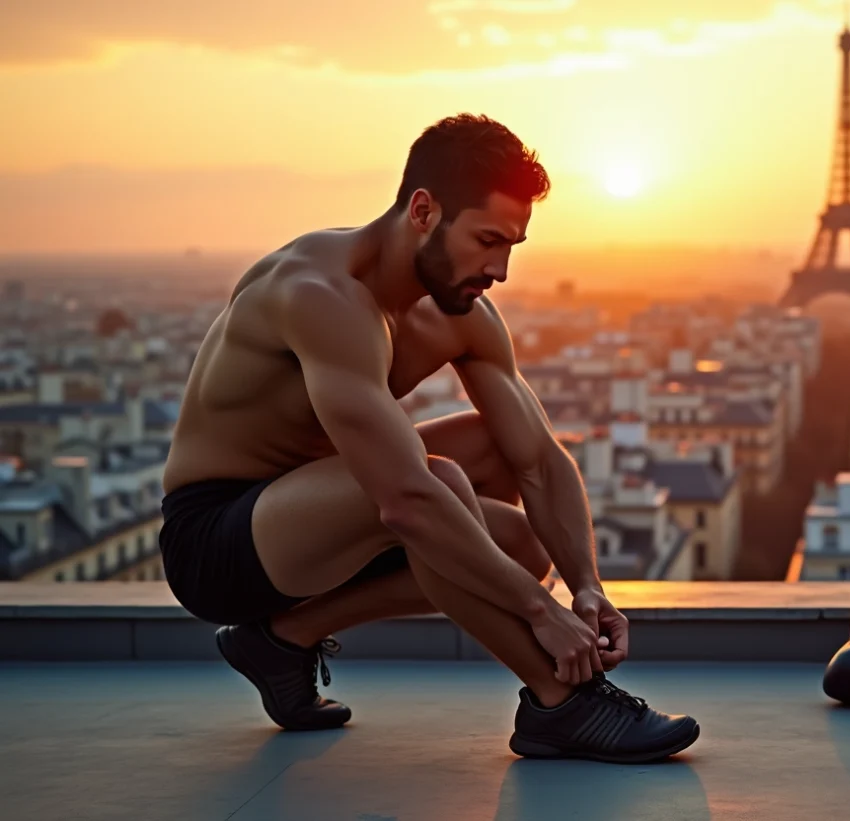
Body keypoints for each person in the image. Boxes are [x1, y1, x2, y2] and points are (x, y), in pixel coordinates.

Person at [158, 113, 699, 764]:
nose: (499, 268)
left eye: (512, 247)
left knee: (519, 534)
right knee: (434, 486)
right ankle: (565, 701)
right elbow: (408, 498)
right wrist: (541, 612)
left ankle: (280, 639)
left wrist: (586, 586)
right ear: (422, 209)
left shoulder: (460, 313)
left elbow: (540, 462)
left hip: (329, 515)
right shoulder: (319, 295)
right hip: (218, 538)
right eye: (486, 240)